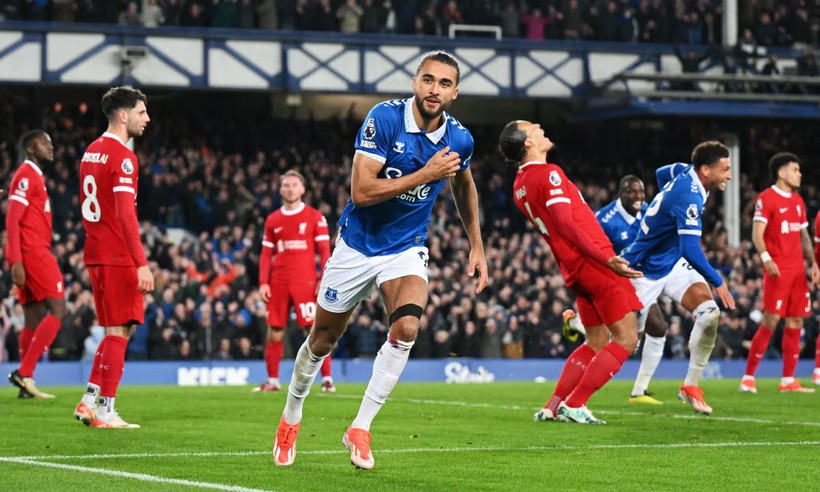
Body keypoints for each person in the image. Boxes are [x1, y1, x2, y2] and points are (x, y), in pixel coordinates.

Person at [273, 51, 488, 470]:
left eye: (444, 84)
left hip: (405, 247)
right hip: (356, 245)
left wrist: (477, 245)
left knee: (407, 327)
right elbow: (362, 193)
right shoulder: (384, 119)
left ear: (455, 93)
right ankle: (291, 416)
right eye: (428, 80)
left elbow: (464, 186)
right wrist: (424, 175)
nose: (434, 89)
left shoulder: (460, 139)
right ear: (414, 82)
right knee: (322, 340)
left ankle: (360, 427)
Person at [500, 120, 643, 425]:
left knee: (595, 341)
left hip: (573, 269)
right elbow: (566, 224)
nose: (539, 126)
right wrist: (606, 257)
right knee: (627, 338)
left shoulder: (520, 184)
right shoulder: (549, 174)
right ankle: (575, 404)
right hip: (593, 263)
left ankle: (553, 405)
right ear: (527, 143)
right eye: (532, 127)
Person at [622, 141, 736, 415]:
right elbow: (691, 250)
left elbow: (662, 173)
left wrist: (666, 209)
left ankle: (691, 386)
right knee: (625, 344)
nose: (730, 175)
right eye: (726, 169)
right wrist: (718, 281)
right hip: (644, 271)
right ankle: (569, 396)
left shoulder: (685, 170)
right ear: (707, 170)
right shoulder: (690, 196)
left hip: (672, 264)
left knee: (709, 313)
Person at [72, 87, 154, 429]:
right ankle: (99, 405)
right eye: (141, 112)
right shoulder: (123, 157)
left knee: (114, 329)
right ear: (123, 115)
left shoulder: (91, 151)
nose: (146, 118)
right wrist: (141, 263)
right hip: (118, 255)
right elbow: (124, 216)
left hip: (96, 252)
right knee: (122, 329)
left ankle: (95, 404)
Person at [740, 153, 819, 394]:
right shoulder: (767, 198)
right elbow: (757, 233)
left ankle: (788, 380)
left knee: (796, 321)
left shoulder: (798, 201)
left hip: (797, 271)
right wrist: (766, 258)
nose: (799, 174)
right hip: (777, 270)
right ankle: (748, 377)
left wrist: (813, 264)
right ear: (782, 173)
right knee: (771, 320)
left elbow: (804, 236)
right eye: (795, 169)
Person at [255, 170, 333, 393]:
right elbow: (265, 255)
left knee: (315, 331)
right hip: (278, 281)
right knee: (275, 331)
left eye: (294, 185)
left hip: (305, 281)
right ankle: (272, 381)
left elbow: (325, 252)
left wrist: (322, 279)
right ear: (280, 190)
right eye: (286, 185)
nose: (290, 189)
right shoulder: (272, 220)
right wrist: (263, 282)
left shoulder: (315, 217)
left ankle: (327, 379)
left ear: (303, 189)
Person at [595, 175, 669, 405]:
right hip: (613, 281)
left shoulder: (649, 212)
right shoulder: (605, 219)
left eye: (640, 192)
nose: (638, 197)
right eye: (631, 192)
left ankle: (639, 390)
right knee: (611, 339)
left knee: (657, 327)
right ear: (620, 194)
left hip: (641, 279)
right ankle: (582, 390)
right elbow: (593, 250)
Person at [6, 130, 69, 399]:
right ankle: (25, 371)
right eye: (43, 142)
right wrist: (16, 262)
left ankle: (26, 384)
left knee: (32, 317)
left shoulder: (35, 176)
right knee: (59, 309)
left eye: (51, 142)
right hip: (34, 254)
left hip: (31, 253)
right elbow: (11, 219)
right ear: (30, 148)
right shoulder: (26, 174)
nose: (50, 146)